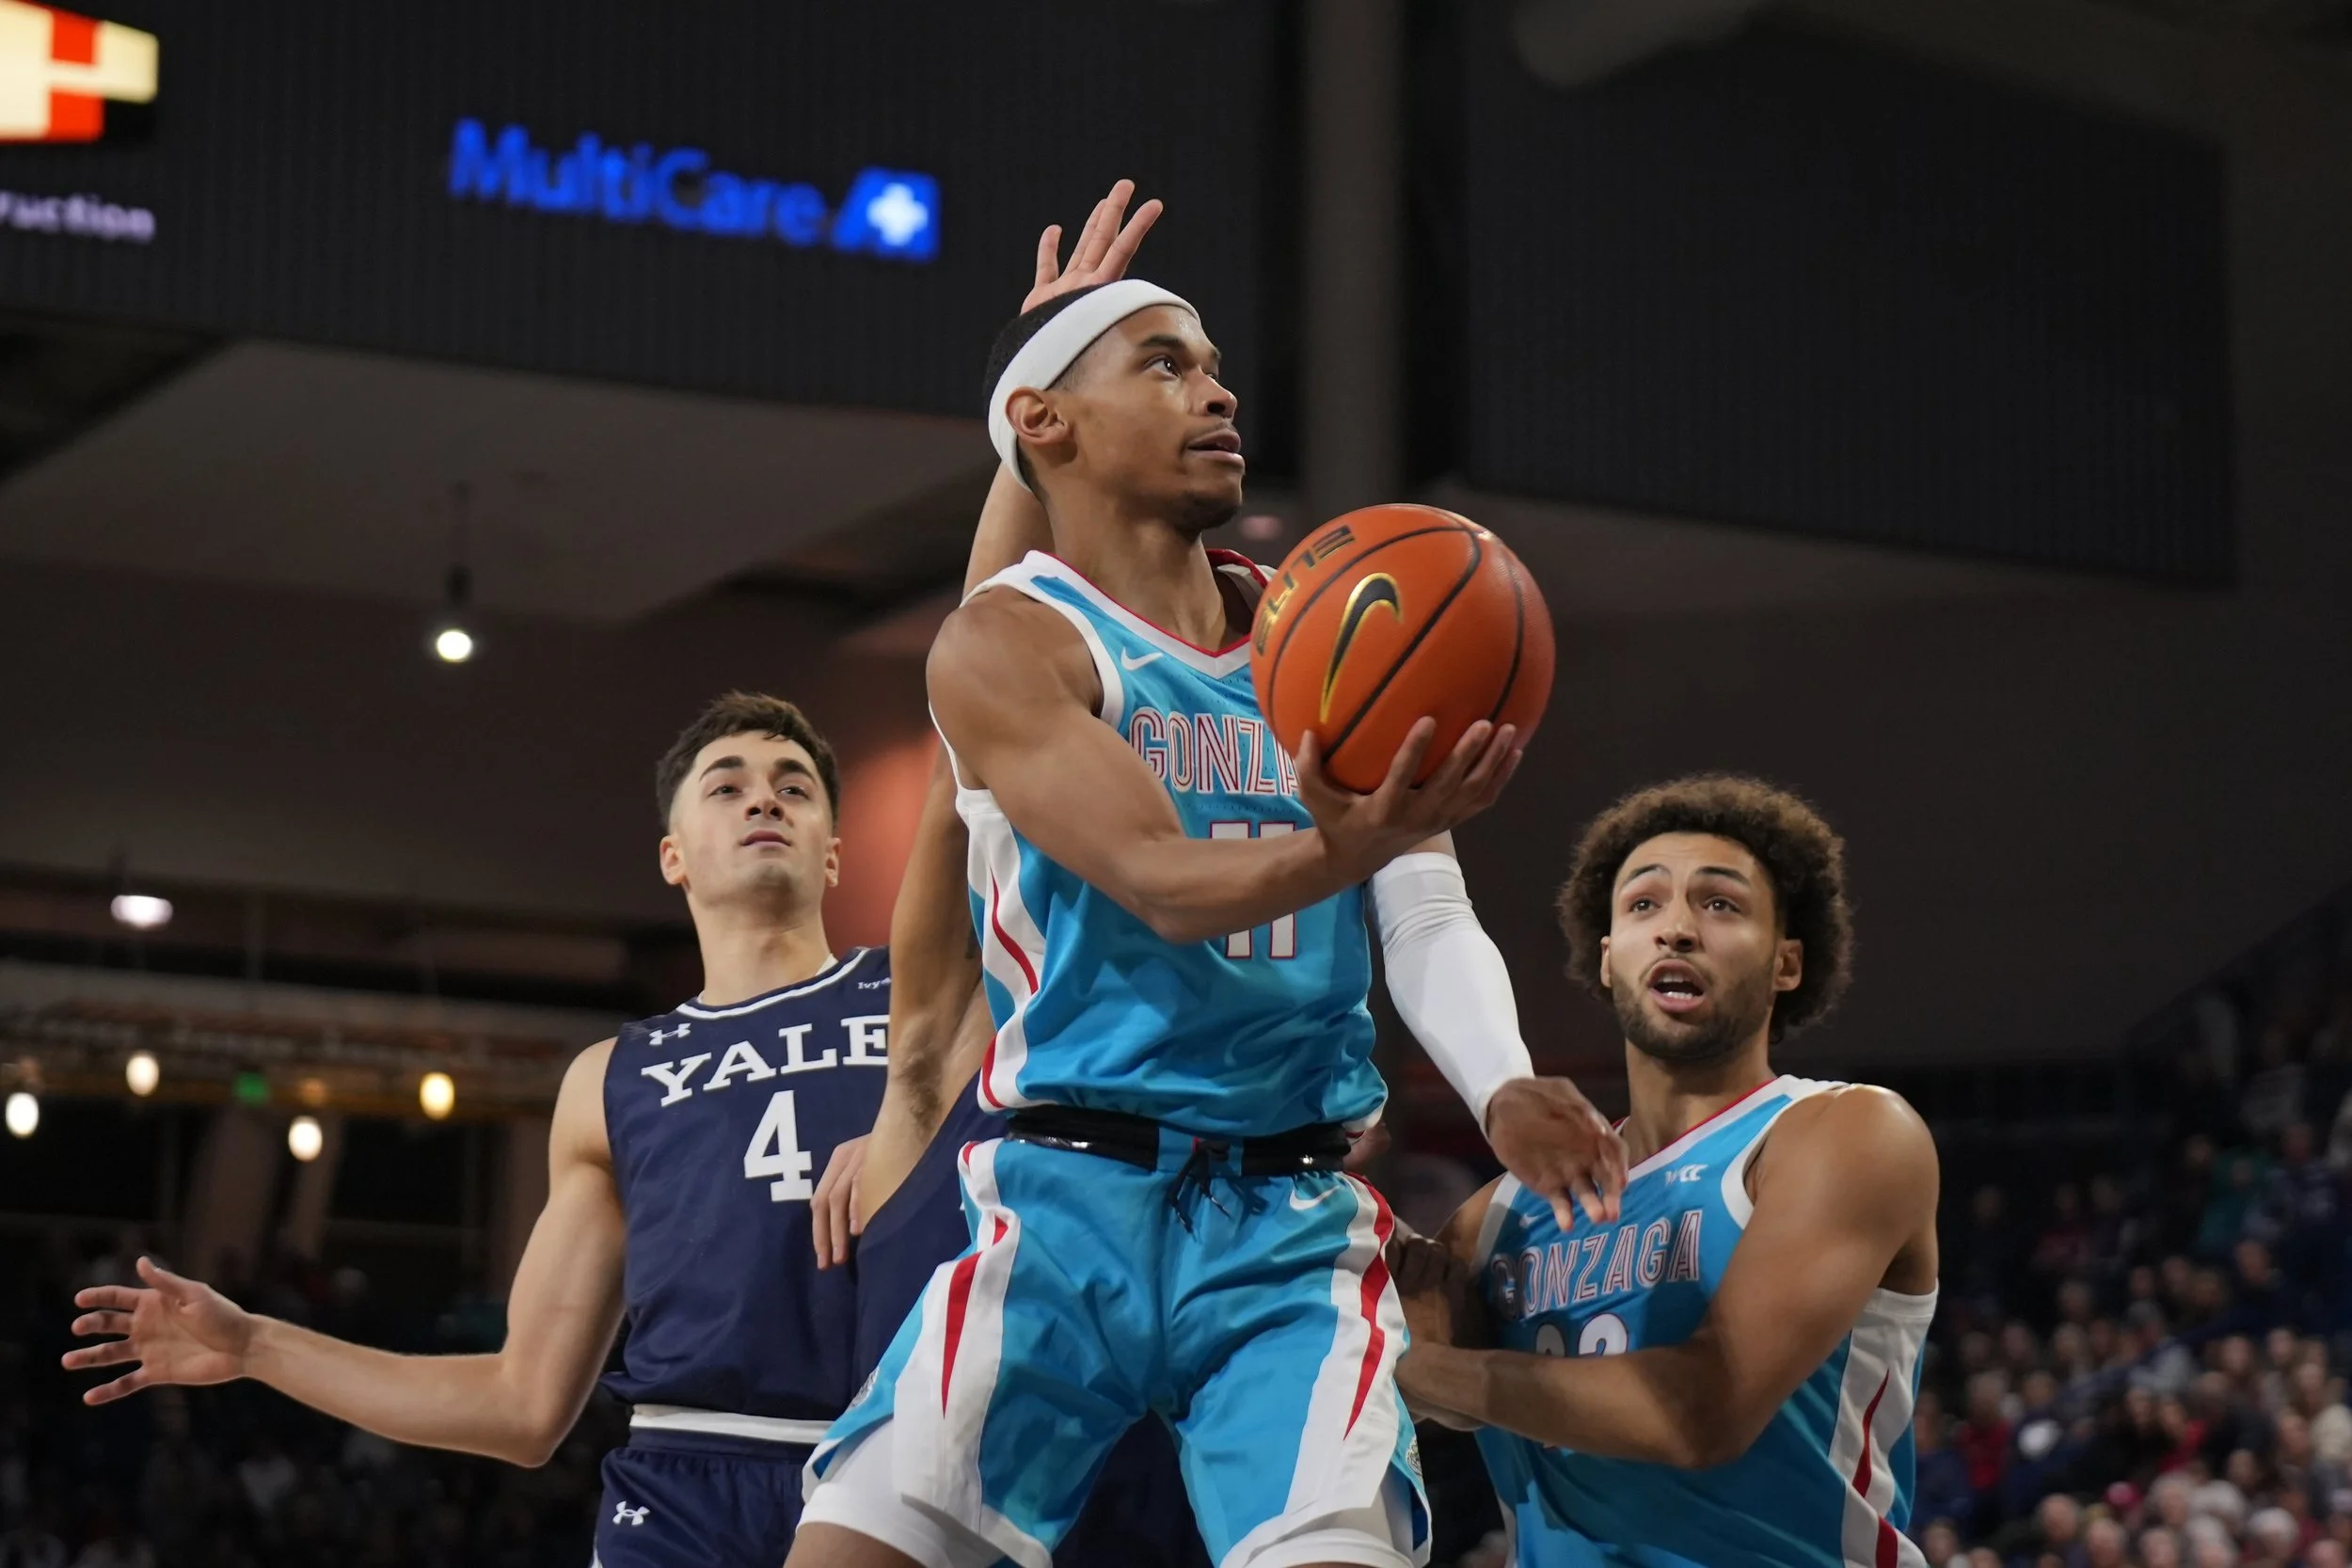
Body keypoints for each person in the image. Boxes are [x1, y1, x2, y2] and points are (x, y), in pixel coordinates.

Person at [792, 182, 1626, 1568]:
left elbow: (1419, 904)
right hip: (1067, 1195)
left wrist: (1501, 1080)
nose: (1217, 392)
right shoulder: (1009, 646)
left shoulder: (1327, 630)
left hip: (1290, 1218)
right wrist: (1342, 842)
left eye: (1219, 369)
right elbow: (1159, 876)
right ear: (1045, 425)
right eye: (1165, 364)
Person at [63, 692, 903, 1568]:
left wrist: (907, 1145)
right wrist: (255, 1344)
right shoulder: (611, 1079)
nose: (764, 800)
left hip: (894, 1455)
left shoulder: (921, 999)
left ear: (836, 853)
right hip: (684, 1485)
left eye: (795, 787)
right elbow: (522, 1402)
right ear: (673, 855)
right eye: (727, 786)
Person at [1390, 775, 1943, 1568]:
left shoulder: (1844, 1132)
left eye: (1720, 905)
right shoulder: (1497, 1216)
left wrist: (1429, 1367)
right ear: (1608, 958)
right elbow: (1416, 1408)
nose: (1677, 928)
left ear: (1788, 961)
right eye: (1644, 905)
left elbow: (1700, 1411)